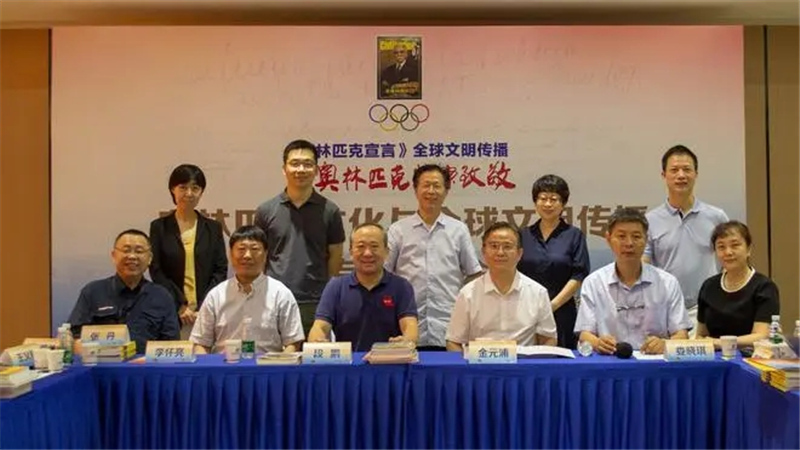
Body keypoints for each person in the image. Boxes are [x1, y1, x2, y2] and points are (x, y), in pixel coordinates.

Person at [385, 163, 483, 351]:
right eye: (426, 185)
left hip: (449, 327)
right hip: (406, 327)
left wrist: (462, 304)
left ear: (446, 191)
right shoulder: (398, 230)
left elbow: (474, 274)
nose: (431, 191)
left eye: (437, 186)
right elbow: (385, 274)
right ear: (415, 189)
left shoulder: (458, 230)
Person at [254, 139, 345, 335]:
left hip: (316, 301)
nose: (301, 169)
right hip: (274, 297)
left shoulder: (329, 210)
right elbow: (259, 256)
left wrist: (327, 294)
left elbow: (335, 256)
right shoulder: (266, 210)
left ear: (317, 170)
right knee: (274, 353)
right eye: (295, 163)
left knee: (315, 352)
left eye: (307, 164)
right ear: (284, 169)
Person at [576, 208, 691, 355]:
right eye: (621, 236)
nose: (629, 243)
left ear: (646, 240)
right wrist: (598, 343)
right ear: (608, 239)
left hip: (654, 362)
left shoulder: (667, 283)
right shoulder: (593, 282)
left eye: (636, 237)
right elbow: (584, 334)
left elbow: (681, 334)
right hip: (610, 361)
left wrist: (665, 344)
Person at [643, 145, 729, 335]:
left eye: (687, 169)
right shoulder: (650, 221)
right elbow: (643, 266)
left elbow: (730, 263)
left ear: (696, 174)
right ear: (663, 175)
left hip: (707, 309)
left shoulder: (716, 216)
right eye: (674, 170)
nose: (681, 175)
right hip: (665, 310)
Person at [189, 225, 304, 354]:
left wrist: (279, 364)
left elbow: (293, 343)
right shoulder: (216, 295)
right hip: (224, 365)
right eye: (241, 249)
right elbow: (201, 343)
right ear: (230, 254)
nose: (247, 255)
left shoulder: (281, 294)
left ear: (265, 254)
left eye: (254, 249)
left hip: (268, 365)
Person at [446, 222, 557, 351]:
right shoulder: (468, 294)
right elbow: (453, 341)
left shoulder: (538, 293)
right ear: (483, 252)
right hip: (480, 362)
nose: (500, 252)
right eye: (494, 246)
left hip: (522, 363)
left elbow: (548, 339)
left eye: (507, 246)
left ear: (519, 253)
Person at [308, 223, 418, 351]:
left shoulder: (401, 286)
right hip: (348, 361)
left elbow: (410, 326)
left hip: (389, 360)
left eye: (374, 246)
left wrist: (406, 341)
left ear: (386, 251)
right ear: (351, 252)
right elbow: (320, 326)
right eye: (360, 247)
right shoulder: (336, 286)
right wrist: (318, 340)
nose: (367, 253)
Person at [149, 164, 228, 339]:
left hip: (206, 311)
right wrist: (179, 305)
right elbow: (156, 269)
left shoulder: (213, 228)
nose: (189, 193)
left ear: (201, 192)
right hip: (172, 312)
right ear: (173, 189)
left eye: (195, 188)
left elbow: (220, 270)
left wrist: (204, 305)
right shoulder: (159, 227)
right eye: (183, 187)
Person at [68, 229, 180, 353]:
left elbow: (171, 343)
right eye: (126, 250)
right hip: (102, 363)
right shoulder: (93, 292)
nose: (132, 256)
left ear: (149, 258)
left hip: (146, 364)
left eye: (139, 251)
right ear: (114, 255)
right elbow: (74, 336)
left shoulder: (162, 296)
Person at [517, 175, 590, 349]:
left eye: (554, 199)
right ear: (535, 202)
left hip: (562, 311)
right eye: (543, 198)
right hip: (526, 312)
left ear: (563, 203)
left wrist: (551, 306)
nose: (548, 204)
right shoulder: (523, 235)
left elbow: (578, 275)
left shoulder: (574, 235)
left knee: (560, 359)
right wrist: (536, 309)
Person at [696, 221, 779, 348]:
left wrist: (720, 343)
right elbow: (701, 335)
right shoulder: (708, 286)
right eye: (721, 247)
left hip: (751, 356)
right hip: (714, 356)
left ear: (749, 249)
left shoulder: (764, 287)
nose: (728, 252)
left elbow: (762, 335)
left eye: (735, 245)